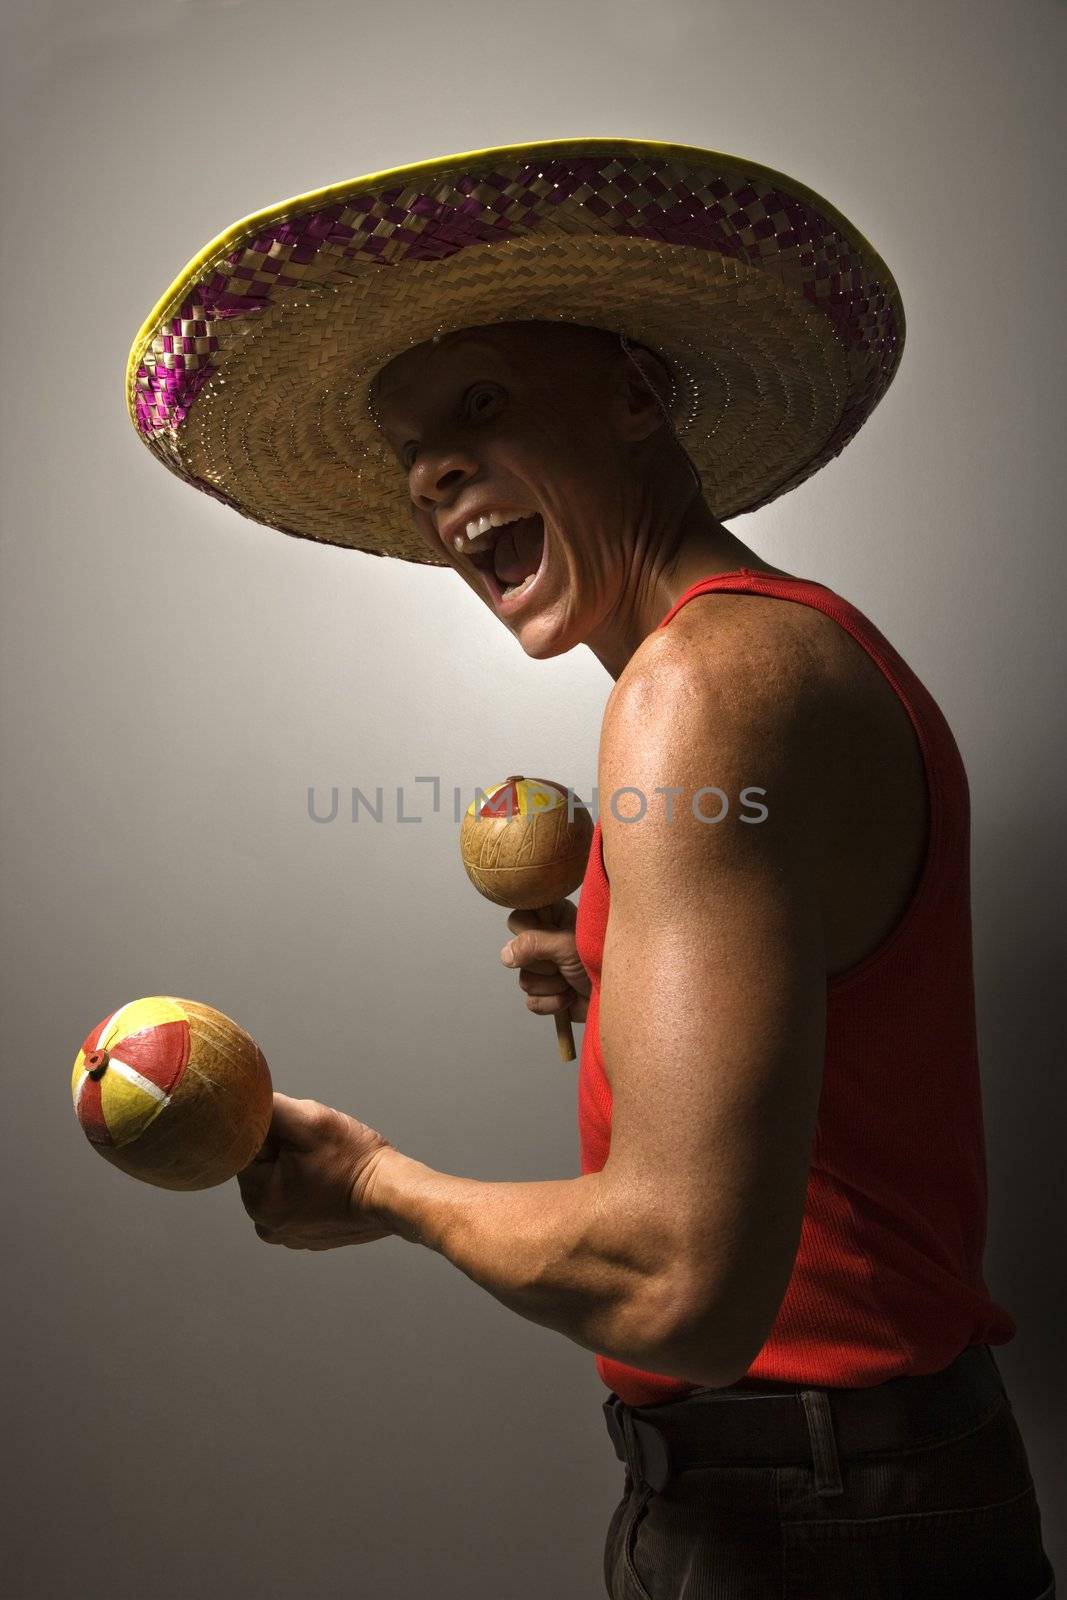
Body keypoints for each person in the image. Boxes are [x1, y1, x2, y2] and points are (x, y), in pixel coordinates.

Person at [126, 140, 1056, 1598]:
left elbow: (681, 1284)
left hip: (816, 1524)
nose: (435, 475)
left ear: (635, 395)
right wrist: (625, 973)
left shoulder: (703, 689)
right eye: (412, 452)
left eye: (480, 406)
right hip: (855, 1490)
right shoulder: (790, 645)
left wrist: (377, 1184)